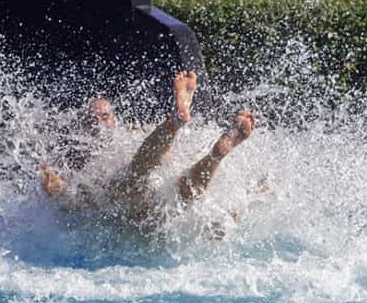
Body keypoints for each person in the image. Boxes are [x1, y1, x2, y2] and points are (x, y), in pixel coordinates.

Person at [39, 71, 256, 229]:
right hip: (135, 209)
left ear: (114, 118)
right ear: (81, 125)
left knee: (150, 178)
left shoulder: (129, 133)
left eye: (104, 117)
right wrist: (56, 189)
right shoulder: (75, 152)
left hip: (136, 205)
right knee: (182, 193)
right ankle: (212, 153)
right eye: (91, 119)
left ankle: (180, 125)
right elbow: (73, 201)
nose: (98, 124)